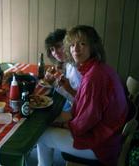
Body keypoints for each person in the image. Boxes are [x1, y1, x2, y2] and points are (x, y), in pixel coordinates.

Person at [37, 25, 128, 166]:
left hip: (101, 145)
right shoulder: (97, 68)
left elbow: (84, 123)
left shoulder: (94, 77)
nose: (76, 48)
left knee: (42, 135)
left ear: (93, 46)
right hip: (108, 135)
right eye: (72, 45)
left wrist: (62, 124)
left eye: (82, 43)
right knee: (51, 122)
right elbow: (84, 104)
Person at [44, 29, 81, 111]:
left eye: (58, 46)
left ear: (69, 44)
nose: (55, 53)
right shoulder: (68, 63)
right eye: (52, 49)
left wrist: (54, 83)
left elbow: (80, 101)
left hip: (77, 111)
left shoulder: (76, 67)